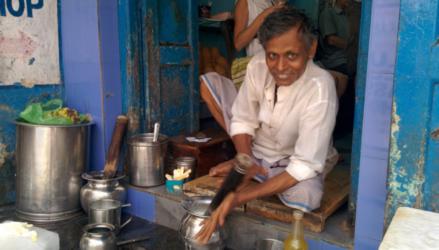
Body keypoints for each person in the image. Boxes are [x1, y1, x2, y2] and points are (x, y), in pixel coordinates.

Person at [196, 7, 339, 244]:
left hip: (290, 160)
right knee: (211, 85)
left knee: (307, 197)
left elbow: (303, 164)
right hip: (259, 152)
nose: (280, 67)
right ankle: (251, 167)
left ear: (311, 49)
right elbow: (242, 119)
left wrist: (239, 196)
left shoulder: (321, 88)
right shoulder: (257, 66)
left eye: (291, 55)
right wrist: (245, 159)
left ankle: (260, 175)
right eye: (272, 55)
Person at [318, 0, 352, 75]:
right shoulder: (328, 13)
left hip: (347, 59)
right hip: (335, 60)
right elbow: (331, 40)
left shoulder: (347, 17)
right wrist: (353, 48)